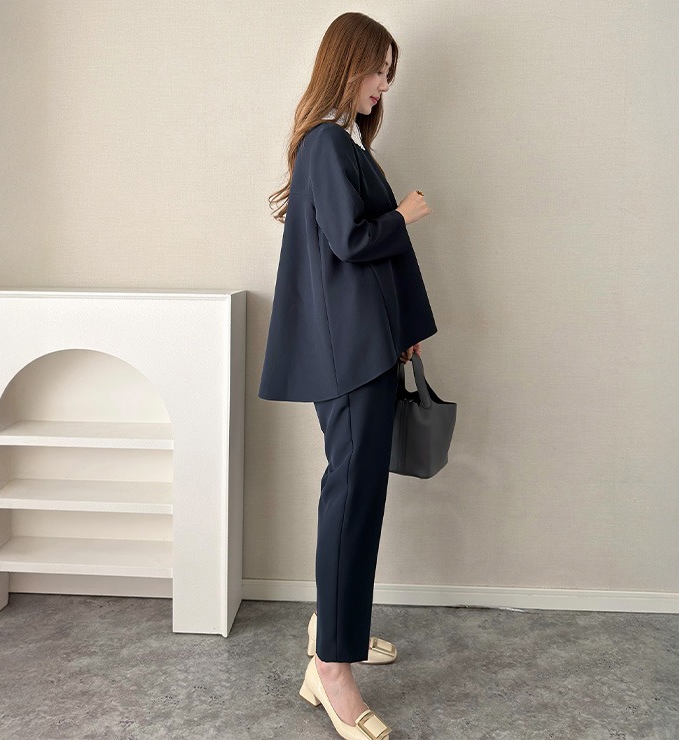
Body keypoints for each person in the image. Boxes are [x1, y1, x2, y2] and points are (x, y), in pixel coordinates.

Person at [258, 12, 437, 739]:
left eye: (389, 73)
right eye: (376, 70)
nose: (382, 85)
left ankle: (337, 630)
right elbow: (351, 241)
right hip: (349, 356)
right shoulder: (328, 144)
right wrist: (405, 214)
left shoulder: (338, 144)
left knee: (359, 498)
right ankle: (330, 668)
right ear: (347, 64)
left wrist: (402, 334)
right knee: (352, 499)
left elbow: (351, 264)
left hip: (364, 348)